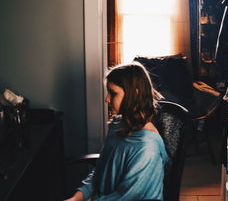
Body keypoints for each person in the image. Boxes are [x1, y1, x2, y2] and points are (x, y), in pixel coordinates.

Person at [65, 63, 168, 201]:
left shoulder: (146, 147)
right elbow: (101, 169)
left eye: (113, 93)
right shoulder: (118, 125)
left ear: (135, 93)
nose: (107, 99)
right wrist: (78, 196)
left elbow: (127, 196)